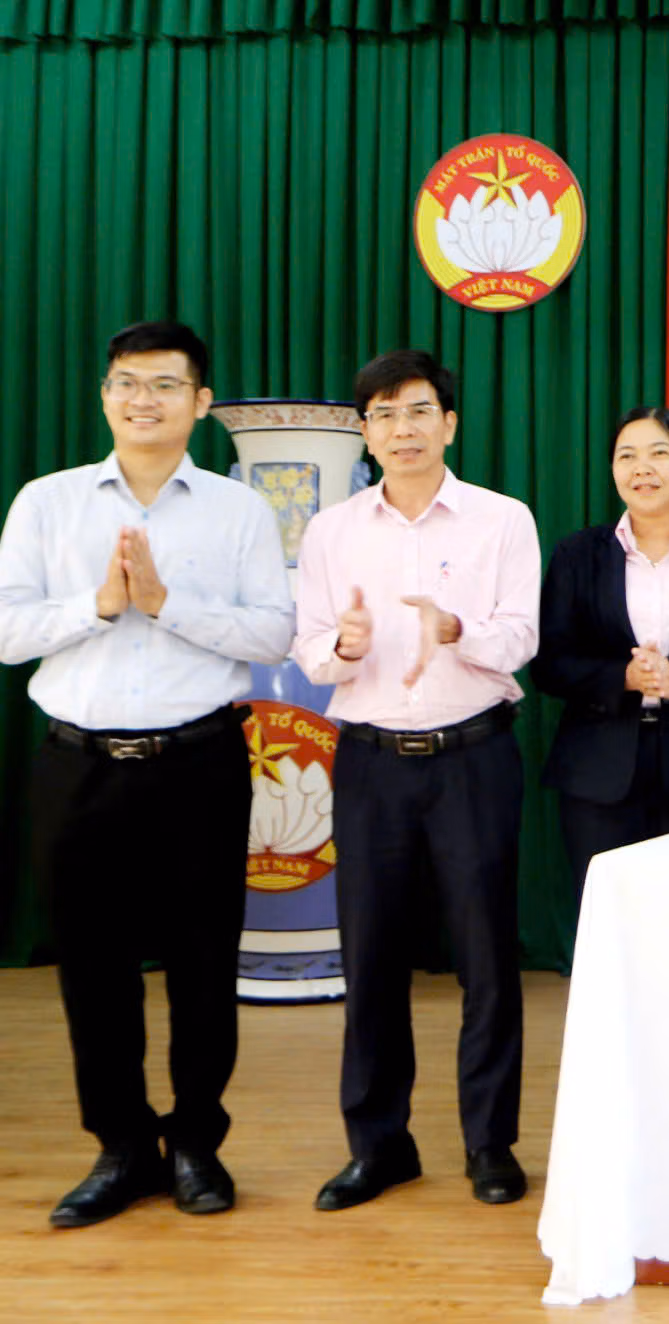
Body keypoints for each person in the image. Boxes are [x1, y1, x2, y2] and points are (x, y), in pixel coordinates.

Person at [0, 320, 292, 1226]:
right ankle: (121, 1147)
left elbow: (273, 634)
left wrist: (167, 605)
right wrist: (97, 606)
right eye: (127, 382)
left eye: (166, 385)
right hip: (78, 766)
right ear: (104, 396)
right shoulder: (47, 502)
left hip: (198, 764)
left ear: (200, 403)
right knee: (93, 969)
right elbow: (7, 632)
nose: (143, 400)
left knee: (204, 961)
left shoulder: (239, 510)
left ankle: (197, 1142)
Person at [292, 348, 542, 1211]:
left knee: (486, 961)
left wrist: (458, 629)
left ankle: (490, 1144)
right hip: (371, 764)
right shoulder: (332, 531)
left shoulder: (501, 520)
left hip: (474, 757)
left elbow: (521, 637)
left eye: (419, 411)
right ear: (366, 433)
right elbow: (309, 647)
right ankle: (379, 1146)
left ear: (450, 424)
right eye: (385, 415)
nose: (403, 429)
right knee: (371, 959)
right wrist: (344, 646)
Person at [531, 407, 669, 908]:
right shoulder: (577, 554)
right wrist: (622, 677)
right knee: (611, 916)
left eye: (659, 453)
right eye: (627, 457)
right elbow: (549, 664)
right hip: (600, 771)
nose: (642, 468)